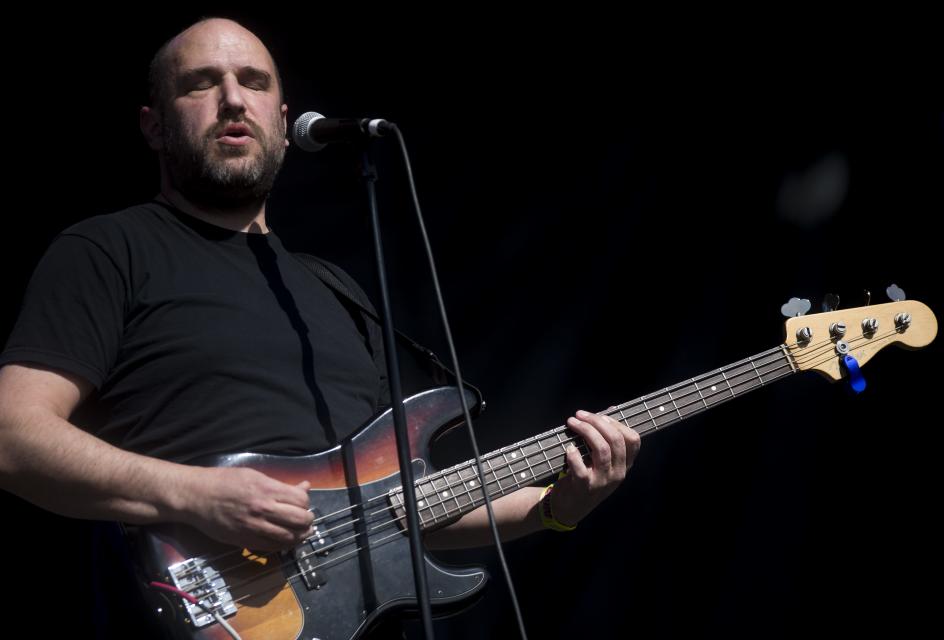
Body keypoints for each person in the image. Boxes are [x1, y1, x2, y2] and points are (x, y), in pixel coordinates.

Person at [0, 16, 641, 635]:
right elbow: (14, 440)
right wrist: (199, 495)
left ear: (282, 125)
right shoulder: (109, 249)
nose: (231, 100)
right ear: (154, 126)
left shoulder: (333, 291)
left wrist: (556, 509)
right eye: (200, 83)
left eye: (254, 81)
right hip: (206, 611)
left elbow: (391, 511)